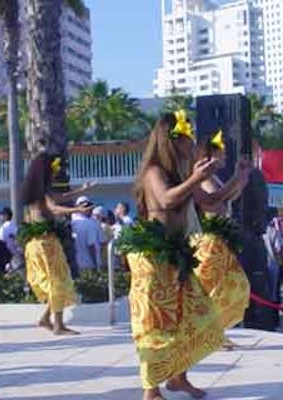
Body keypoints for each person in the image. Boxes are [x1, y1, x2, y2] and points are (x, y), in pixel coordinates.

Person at [122, 111, 224, 400]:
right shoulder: (153, 170)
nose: (192, 140)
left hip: (175, 255)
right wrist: (195, 178)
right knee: (154, 322)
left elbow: (207, 199)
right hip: (152, 256)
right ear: (172, 139)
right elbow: (167, 198)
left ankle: (179, 378)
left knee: (189, 315)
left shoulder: (178, 172)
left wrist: (219, 179)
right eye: (187, 135)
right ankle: (150, 391)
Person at [21, 151, 93, 335]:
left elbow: (58, 198)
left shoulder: (39, 192)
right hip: (44, 245)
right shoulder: (42, 192)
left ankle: (46, 319)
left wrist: (80, 191)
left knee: (60, 281)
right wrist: (77, 209)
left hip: (41, 244)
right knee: (58, 283)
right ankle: (58, 326)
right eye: (53, 169)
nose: (55, 173)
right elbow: (53, 207)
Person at [193, 130, 251, 349]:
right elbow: (214, 202)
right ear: (210, 154)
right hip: (209, 242)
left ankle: (215, 331)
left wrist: (241, 178)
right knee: (212, 289)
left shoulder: (213, 177)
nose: (225, 157)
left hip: (219, 241)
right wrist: (237, 177)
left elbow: (229, 198)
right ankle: (209, 333)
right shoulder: (204, 177)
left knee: (233, 286)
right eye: (222, 154)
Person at [71, 196, 103, 272]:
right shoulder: (90, 223)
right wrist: (95, 265)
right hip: (89, 264)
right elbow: (91, 246)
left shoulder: (72, 222)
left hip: (75, 263)